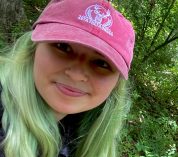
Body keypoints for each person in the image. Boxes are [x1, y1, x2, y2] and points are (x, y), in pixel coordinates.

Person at [0, 0, 135, 156]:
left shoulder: (85, 133)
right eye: (63, 47)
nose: (76, 75)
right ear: (33, 47)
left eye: (101, 63)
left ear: (116, 83)